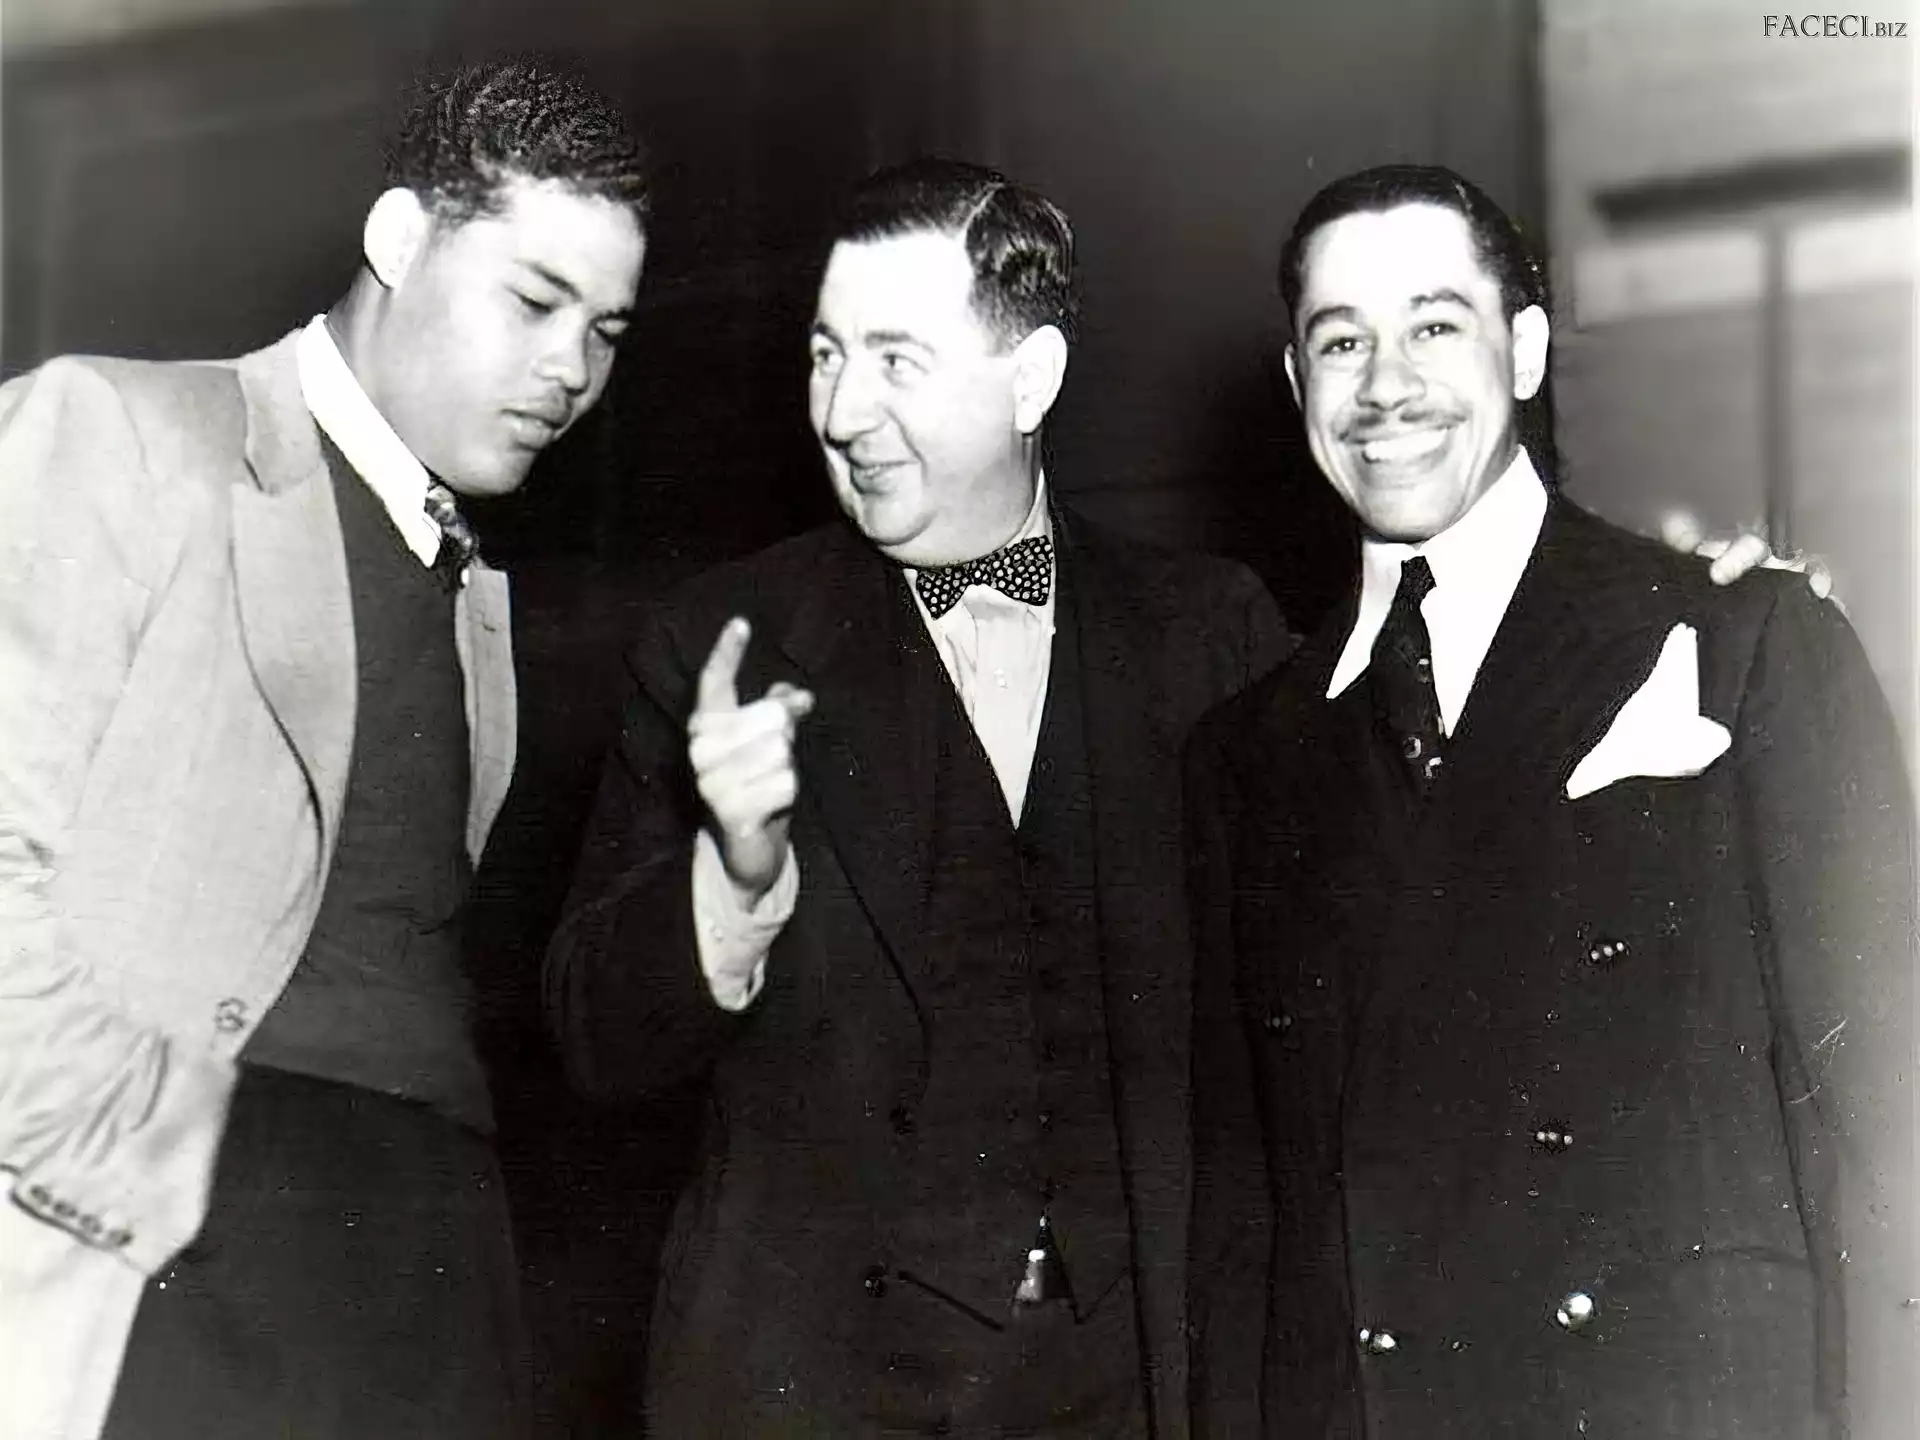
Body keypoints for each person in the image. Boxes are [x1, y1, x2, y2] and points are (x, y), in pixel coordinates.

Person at [543, 156, 1292, 1436]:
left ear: (1031, 380)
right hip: (819, 1392)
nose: (842, 412)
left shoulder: (1213, 635)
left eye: (897, 360)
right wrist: (733, 877)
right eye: (826, 356)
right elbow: (590, 1040)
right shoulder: (721, 643)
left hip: (1138, 1387)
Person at [1185, 163, 1915, 1439]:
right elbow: (1247, 1237)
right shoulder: (1243, 757)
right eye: (1341, 342)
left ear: (1524, 351)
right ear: (1297, 384)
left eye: (1434, 326)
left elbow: (1889, 1126)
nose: (1386, 386)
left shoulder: (1743, 638)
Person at [0, 57, 648, 1440]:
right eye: (534, 301)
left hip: (436, 1260)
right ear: (400, 239)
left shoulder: (476, 590)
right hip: (188, 1256)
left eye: (606, 331)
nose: (571, 370)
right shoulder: (122, 431)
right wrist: (151, 1175)